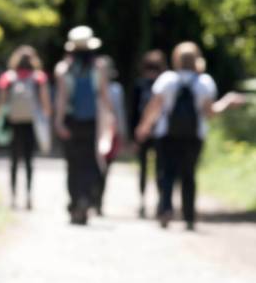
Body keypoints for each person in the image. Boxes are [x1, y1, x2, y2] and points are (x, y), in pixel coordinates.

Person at [135, 42, 244, 230]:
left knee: (166, 173)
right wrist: (226, 102)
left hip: (166, 134)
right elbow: (210, 112)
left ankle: (166, 209)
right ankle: (189, 217)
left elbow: (154, 107)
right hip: (194, 136)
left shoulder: (167, 79)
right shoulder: (205, 82)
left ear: (176, 59)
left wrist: (143, 127)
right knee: (188, 175)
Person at [54, 26, 114, 225]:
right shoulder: (100, 67)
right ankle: (85, 200)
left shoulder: (63, 69)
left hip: (72, 121)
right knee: (89, 163)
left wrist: (59, 122)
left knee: (73, 165)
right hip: (92, 121)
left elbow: (62, 99)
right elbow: (104, 97)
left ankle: (74, 202)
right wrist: (110, 122)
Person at [0, 45, 52, 210]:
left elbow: (1, 102)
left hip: (14, 122)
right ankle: (29, 197)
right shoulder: (39, 78)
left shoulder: (8, 77)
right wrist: (47, 118)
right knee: (29, 161)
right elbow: (46, 105)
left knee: (14, 161)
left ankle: (13, 197)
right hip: (32, 123)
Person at [131, 50, 167, 218]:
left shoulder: (140, 84)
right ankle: (161, 202)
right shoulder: (165, 84)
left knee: (144, 169)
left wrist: (134, 135)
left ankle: (143, 202)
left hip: (142, 132)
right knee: (161, 169)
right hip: (161, 132)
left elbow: (133, 111)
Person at [93, 55, 127, 216]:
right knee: (95, 168)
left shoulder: (115, 89)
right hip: (95, 132)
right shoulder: (92, 87)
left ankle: (98, 201)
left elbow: (119, 112)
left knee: (104, 169)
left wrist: (121, 133)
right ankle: (94, 200)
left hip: (110, 133)